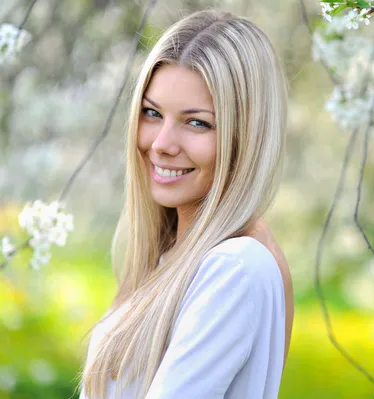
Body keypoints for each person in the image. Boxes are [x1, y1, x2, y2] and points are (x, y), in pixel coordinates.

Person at [77, 10, 294, 399]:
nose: (161, 143)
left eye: (197, 123)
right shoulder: (172, 258)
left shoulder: (236, 268)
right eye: (152, 113)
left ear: (244, 136)